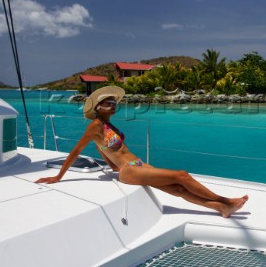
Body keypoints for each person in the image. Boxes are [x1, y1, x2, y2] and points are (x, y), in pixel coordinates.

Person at [35, 86, 248, 218]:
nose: (112, 105)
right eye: (107, 103)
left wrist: (110, 165)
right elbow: (75, 151)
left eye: (113, 103)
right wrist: (58, 176)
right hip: (128, 170)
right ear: (97, 107)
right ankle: (227, 201)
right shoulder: (95, 126)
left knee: (178, 189)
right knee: (182, 175)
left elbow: (101, 149)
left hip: (138, 164)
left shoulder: (109, 126)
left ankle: (221, 209)